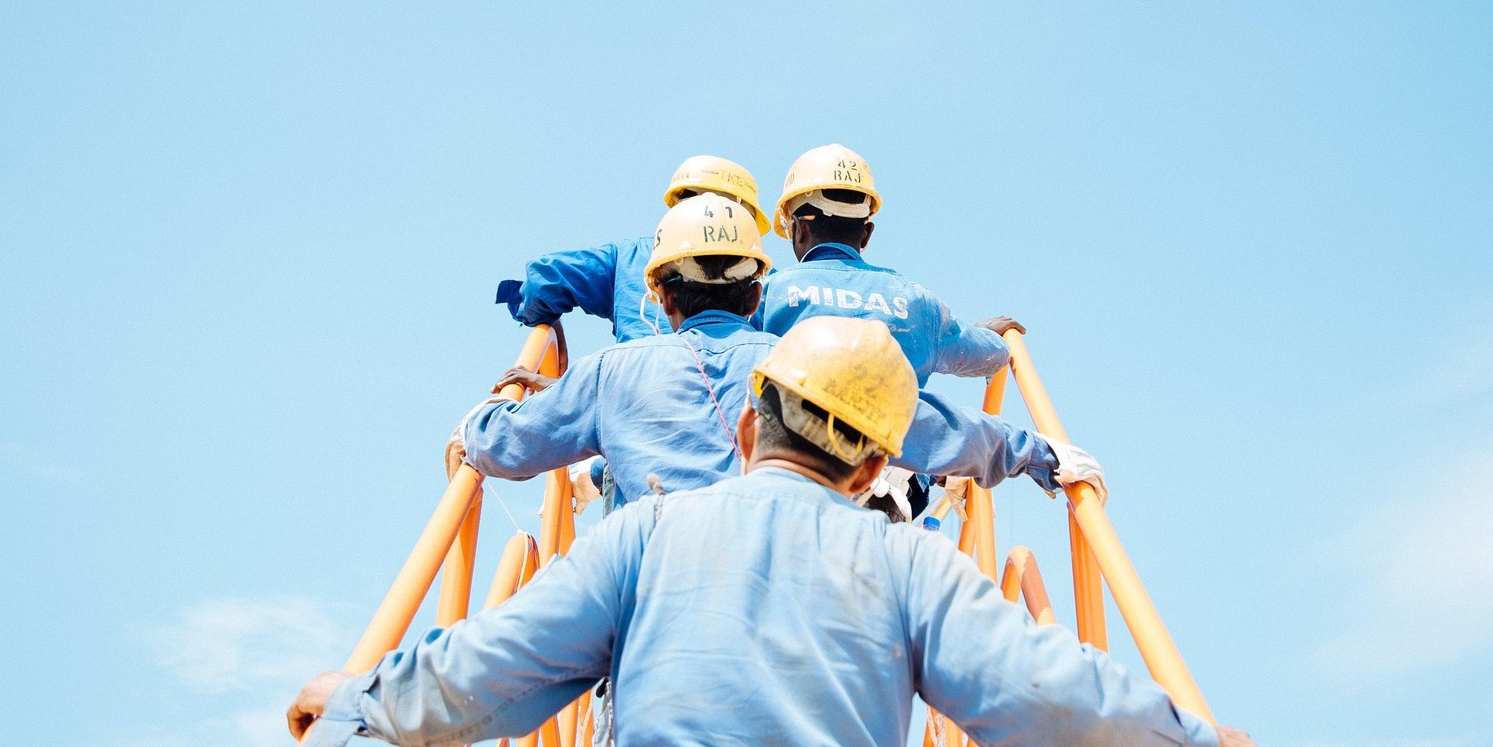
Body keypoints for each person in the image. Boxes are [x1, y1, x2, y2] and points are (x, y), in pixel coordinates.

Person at [289, 316, 1269, 747]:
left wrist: (350, 705)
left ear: (751, 427)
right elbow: (1041, 691)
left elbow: (492, 671)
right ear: (871, 469)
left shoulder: (642, 538)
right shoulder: (913, 562)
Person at [446, 195, 1107, 511]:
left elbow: (503, 447)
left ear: (662, 294)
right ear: (757, 283)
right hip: (785, 621)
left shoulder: (608, 374)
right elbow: (930, 425)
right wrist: (1040, 454)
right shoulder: (807, 366)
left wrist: (488, 415)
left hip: (648, 632)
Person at [760, 143, 1018, 387]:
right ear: (866, 233)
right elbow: (987, 354)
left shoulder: (769, 294)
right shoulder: (918, 302)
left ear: (800, 229)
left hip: (792, 432)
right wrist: (989, 336)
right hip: (895, 434)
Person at [494, 155, 771, 343]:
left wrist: (543, 319)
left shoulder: (627, 259)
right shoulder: (763, 280)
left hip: (630, 403)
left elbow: (544, 280)